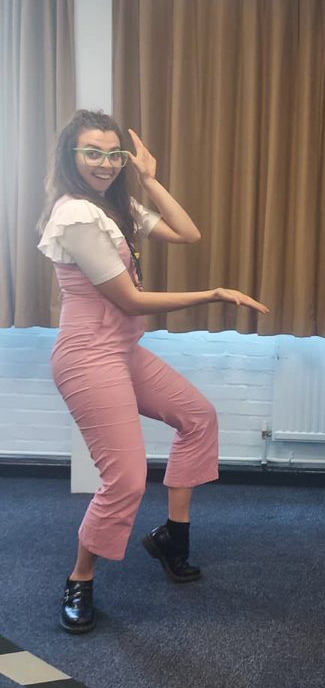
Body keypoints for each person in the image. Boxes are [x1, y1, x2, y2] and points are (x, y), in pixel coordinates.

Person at [38, 110, 268, 634]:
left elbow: (188, 233)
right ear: (70, 157)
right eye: (92, 153)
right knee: (126, 479)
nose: (104, 163)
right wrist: (212, 294)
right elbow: (130, 299)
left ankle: (172, 538)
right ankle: (80, 579)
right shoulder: (75, 216)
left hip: (121, 349)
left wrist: (149, 177)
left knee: (197, 417)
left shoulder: (114, 205)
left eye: (113, 154)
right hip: (87, 356)